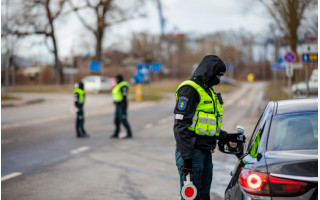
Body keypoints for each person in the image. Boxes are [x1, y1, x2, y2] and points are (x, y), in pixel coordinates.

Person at [174, 55, 245, 200]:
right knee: (192, 197)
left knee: (204, 196)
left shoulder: (209, 91)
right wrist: (187, 158)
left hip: (205, 152)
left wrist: (226, 136)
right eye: (217, 75)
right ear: (208, 71)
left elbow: (206, 126)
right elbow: (180, 127)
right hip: (192, 153)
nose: (218, 79)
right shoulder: (189, 89)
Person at [110, 74, 132, 139]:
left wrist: (123, 102)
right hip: (117, 105)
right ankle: (116, 133)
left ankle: (129, 133)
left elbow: (124, 94)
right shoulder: (118, 85)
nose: (116, 80)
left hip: (122, 104)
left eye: (116, 79)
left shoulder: (123, 85)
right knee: (116, 120)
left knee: (123, 119)